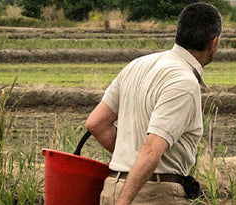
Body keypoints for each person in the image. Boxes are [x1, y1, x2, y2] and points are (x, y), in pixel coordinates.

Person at [84, 2, 221, 205]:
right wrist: (126, 199)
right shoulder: (183, 81)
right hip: (151, 195)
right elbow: (151, 150)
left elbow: (96, 123)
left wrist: (129, 165)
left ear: (180, 33)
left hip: (113, 187)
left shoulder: (136, 65)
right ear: (214, 42)